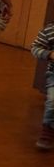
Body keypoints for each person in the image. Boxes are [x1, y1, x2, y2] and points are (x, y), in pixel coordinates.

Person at [31, 22, 54, 151]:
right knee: (52, 101)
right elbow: (35, 48)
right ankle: (47, 132)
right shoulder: (50, 30)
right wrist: (49, 54)